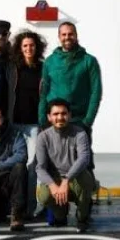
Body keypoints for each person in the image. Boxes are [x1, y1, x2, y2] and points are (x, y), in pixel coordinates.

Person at [38, 21, 102, 177]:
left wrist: (88, 120)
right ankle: (57, 198)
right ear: (59, 37)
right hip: (54, 120)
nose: (67, 37)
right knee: (53, 161)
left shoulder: (89, 61)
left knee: (84, 160)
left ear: (76, 35)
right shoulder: (50, 61)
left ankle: (85, 198)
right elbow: (43, 91)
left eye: (70, 34)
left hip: (79, 120)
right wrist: (42, 118)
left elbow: (96, 91)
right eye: (64, 34)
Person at [36, 98, 93, 232]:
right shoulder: (43, 137)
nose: (60, 117)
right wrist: (52, 185)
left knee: (86, 179)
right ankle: (61, 212)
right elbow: (40, 168)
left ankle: (82, 217)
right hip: (55, 181)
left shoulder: (80, 133)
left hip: (75, 178)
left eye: (63, 113)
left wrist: (67, 180)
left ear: (70, 115)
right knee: (44, 196)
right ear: (49, 117)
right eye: (56, 114)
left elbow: (84, 158)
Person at [7, 30, 46, 217]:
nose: (28, 48)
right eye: (25, 46)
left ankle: (29, 208)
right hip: (13, 124)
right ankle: (14, 205)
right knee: (15, 164)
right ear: (19, 48)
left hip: (34, 125)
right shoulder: (13, 68)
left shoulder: (43, 68)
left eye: (31, 45)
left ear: (36, 47)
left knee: (32, 165)